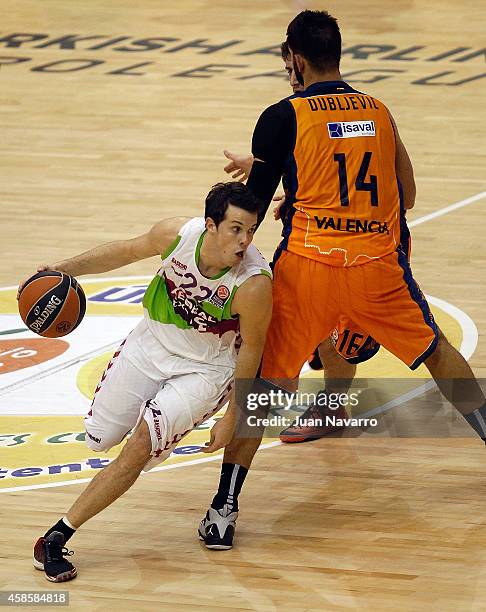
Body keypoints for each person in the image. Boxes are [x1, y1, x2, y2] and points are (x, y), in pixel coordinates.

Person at [199, 10, 486, 551]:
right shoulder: (378, 112)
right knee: (436, 351)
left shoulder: (283, 115)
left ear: (295, 59)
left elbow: (252, 206)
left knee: (262, 385)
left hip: (308, 268)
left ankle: (224, 508)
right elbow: (409, 196)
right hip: (377, 266)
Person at [27, 182, 272, 582]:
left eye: (251, 231)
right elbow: (124, 250)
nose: (245, 241)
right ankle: (146, 446)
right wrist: (64, 269)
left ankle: (56, 536)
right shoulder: (176, 235)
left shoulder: (254, 283)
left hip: (205, 369)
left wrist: (233, 415)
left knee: (139, 446)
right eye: (235, 229)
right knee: (101, 438)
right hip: (151, 343)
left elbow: (252, 351)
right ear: (210, 225)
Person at [222, 41, 412, 444]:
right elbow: (342, 166)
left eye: (287, 64)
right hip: (350, 245)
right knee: (320, 326)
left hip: (368, 252)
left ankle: (327, 405)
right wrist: (291, 188)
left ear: (298, 63)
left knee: (340, 341)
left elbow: (399, 196)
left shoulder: (295, 113)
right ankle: (325, 403)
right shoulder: (374, 110)